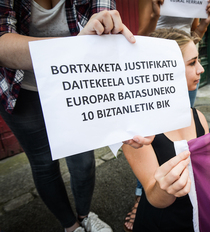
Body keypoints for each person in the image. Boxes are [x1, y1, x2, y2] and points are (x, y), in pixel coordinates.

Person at [0, 1, 153, 232]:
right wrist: (77, 47)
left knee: (83, 161)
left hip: (76, 87)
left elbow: (106, 34)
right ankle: (71, 227)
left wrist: (122, 118)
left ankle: (85, 215)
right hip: (21, 91)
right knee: (43, 164)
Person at [123, 3, 210, 231]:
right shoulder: (137, 132)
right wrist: (165, 188)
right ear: (167, 69)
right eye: (193, 63)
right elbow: (156, 198)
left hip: (198, 216)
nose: (201, 70)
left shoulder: (199, 117)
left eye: (199, 61)